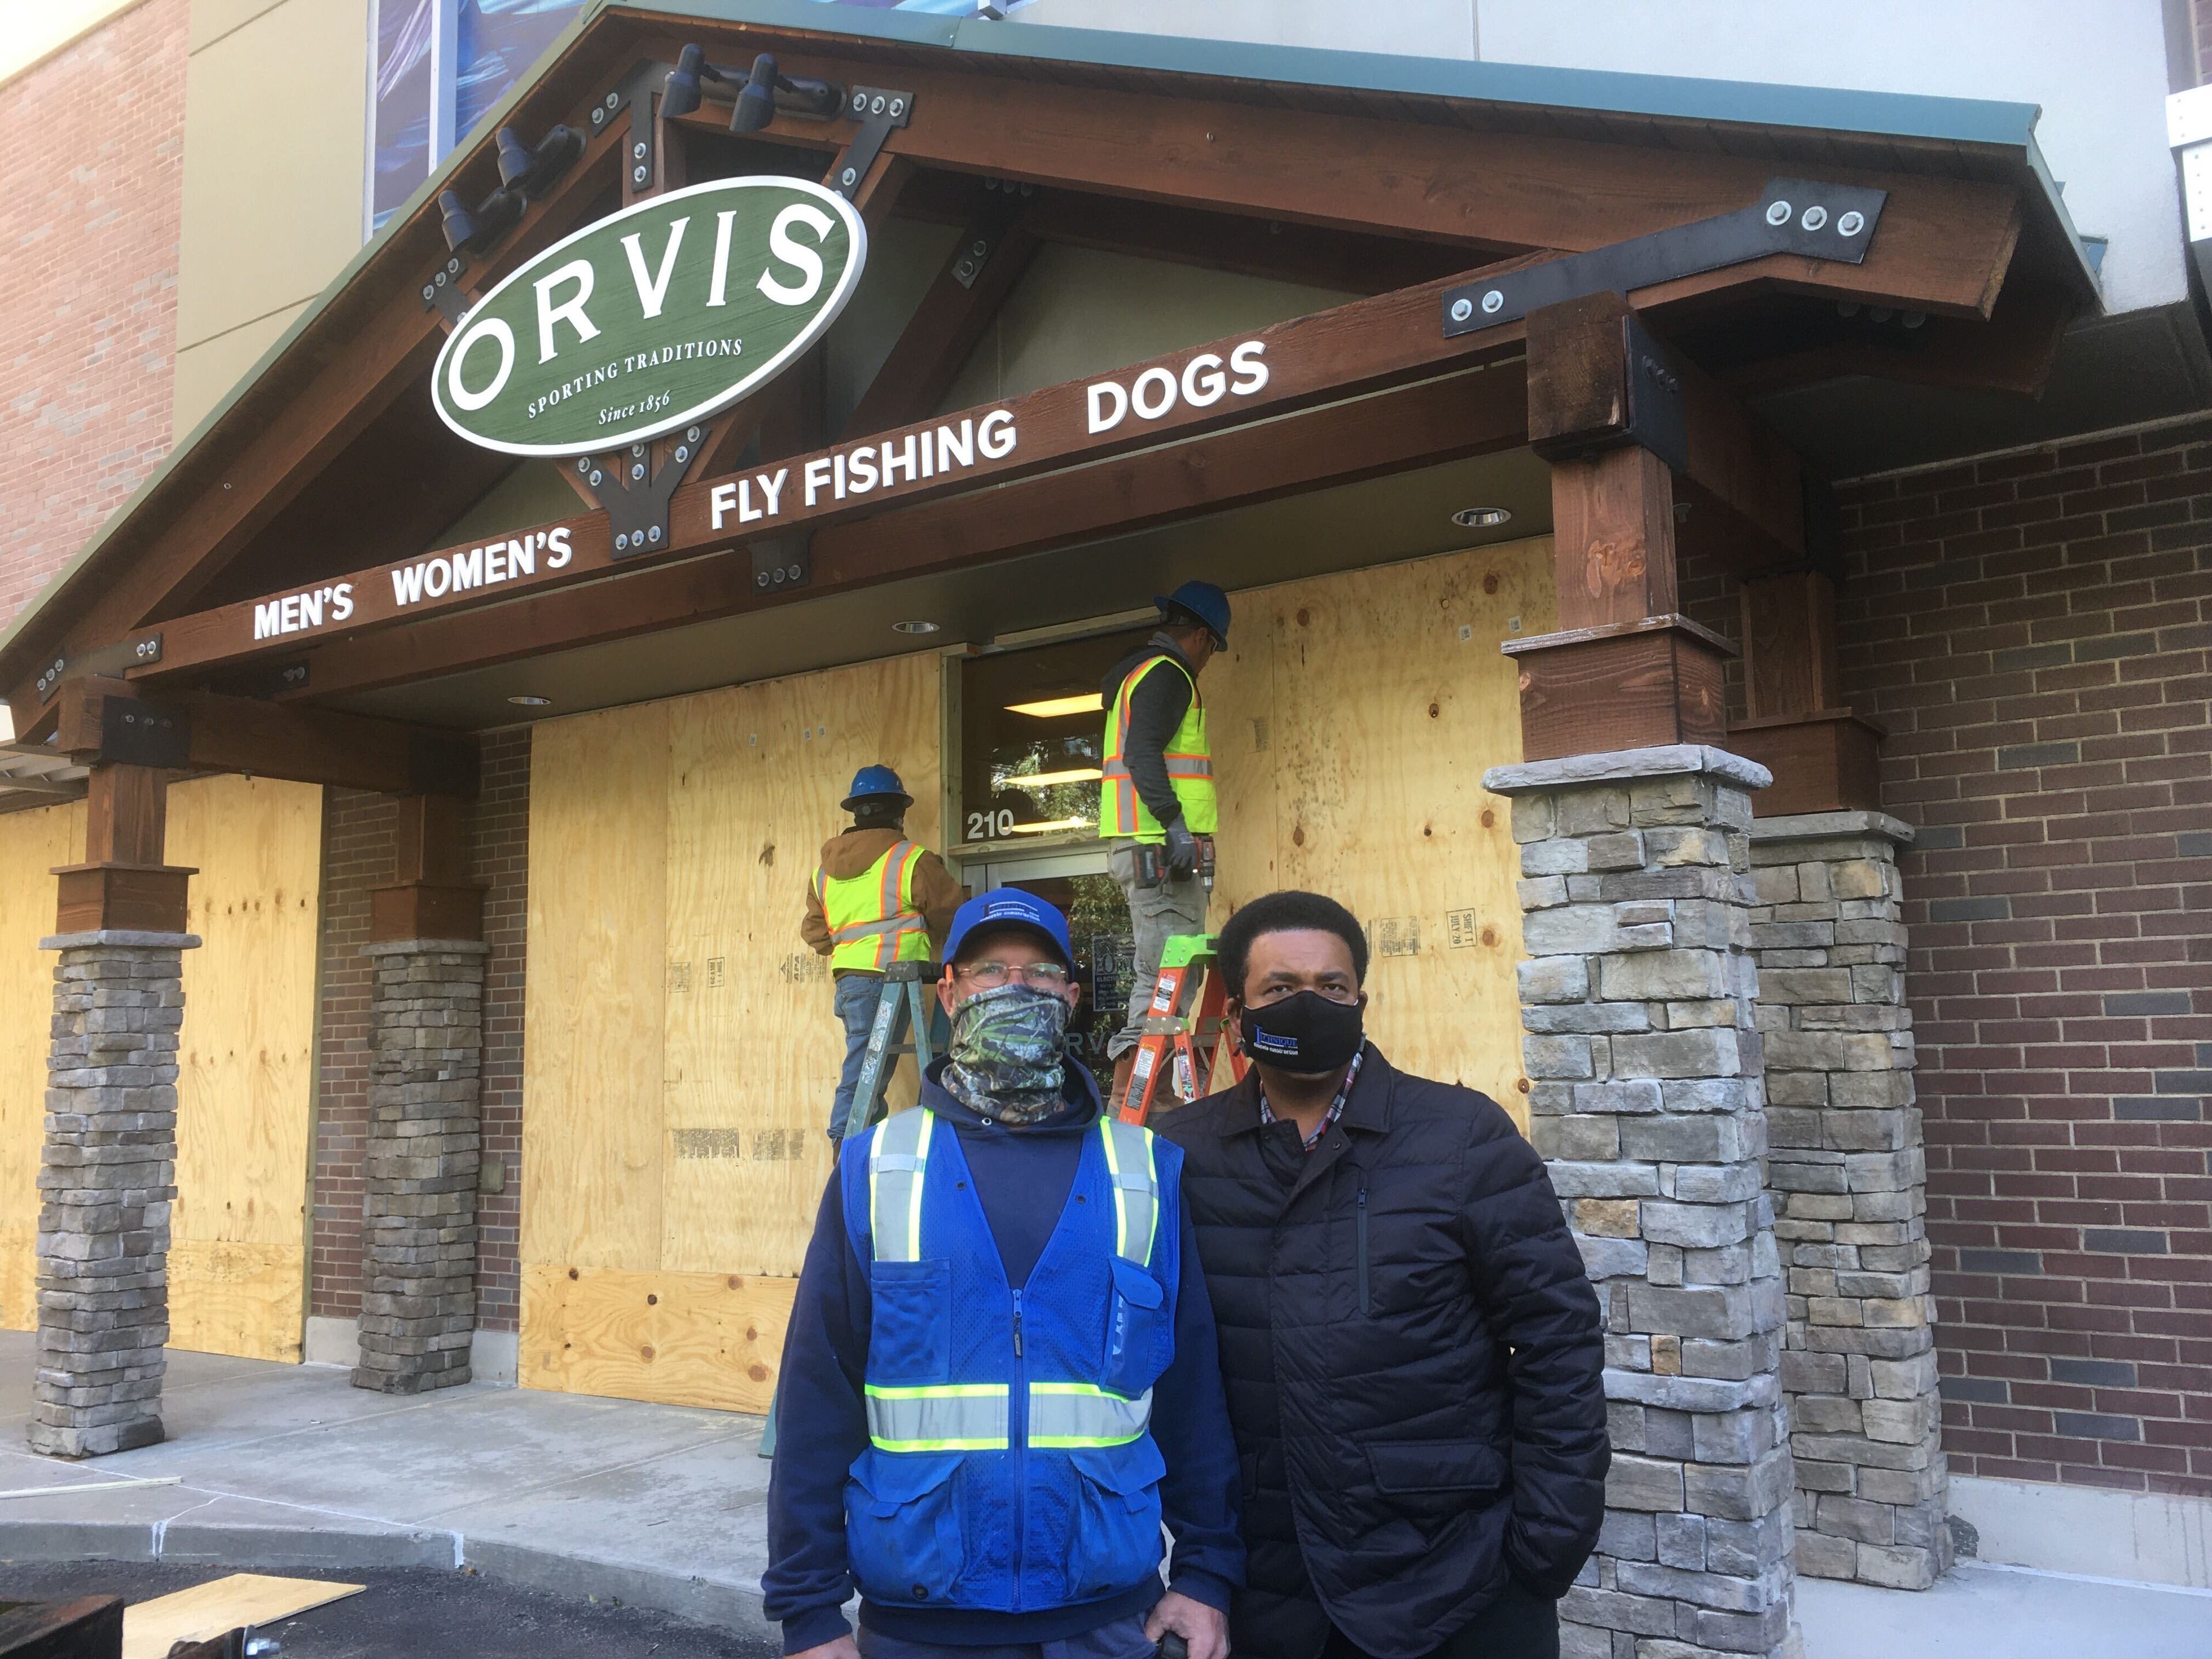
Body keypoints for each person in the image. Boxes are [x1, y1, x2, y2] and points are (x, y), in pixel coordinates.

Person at [763, 887, 1244, 1659]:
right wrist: (809, 1612)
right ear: (950, 993)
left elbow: (1192, 1397)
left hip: (1110, 1620)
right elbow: (817, 1399)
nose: (1016, 988)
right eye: (990, 971)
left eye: (1041, 973)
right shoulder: (879, 1166)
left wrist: (1207, 1572)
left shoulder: (1145, 1172)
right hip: (920, 1622)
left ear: (1072, 996)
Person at [1158, 889, 1608, 1659]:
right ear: (1238, 1011)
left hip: (1459, 1588)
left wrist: (1541, 1551)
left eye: (1332, 988)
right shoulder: (1182, 1157)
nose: (1310, 1004)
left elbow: (1557, 1342)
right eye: (1279, 990)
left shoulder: (1462, 1139)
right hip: (1269, 1595)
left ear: (1361, 998)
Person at [1099, 581, 1230, 1107]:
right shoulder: (1169, 675)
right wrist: (1176, 824)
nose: (1208, 660)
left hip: (1149, 847)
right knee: (1162, 978)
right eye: (1213, 648)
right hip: (1159, 849)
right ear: (1199, 635)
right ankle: (1137, 1097)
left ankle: (1145, 1092)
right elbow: (1143, 754)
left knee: (1170, 974)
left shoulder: (1137, 674)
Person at [804, 765, 963, 1141]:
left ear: (855, 812)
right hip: (888, 980)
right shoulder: (911, 859)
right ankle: (845, 1146)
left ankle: (861, 1142)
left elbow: (815, 934)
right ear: (899, 813)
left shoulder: (823, 872)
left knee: (869, 1070)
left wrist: (850, 948)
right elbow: (953, 914)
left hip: (850, 983)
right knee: (864, 1072)